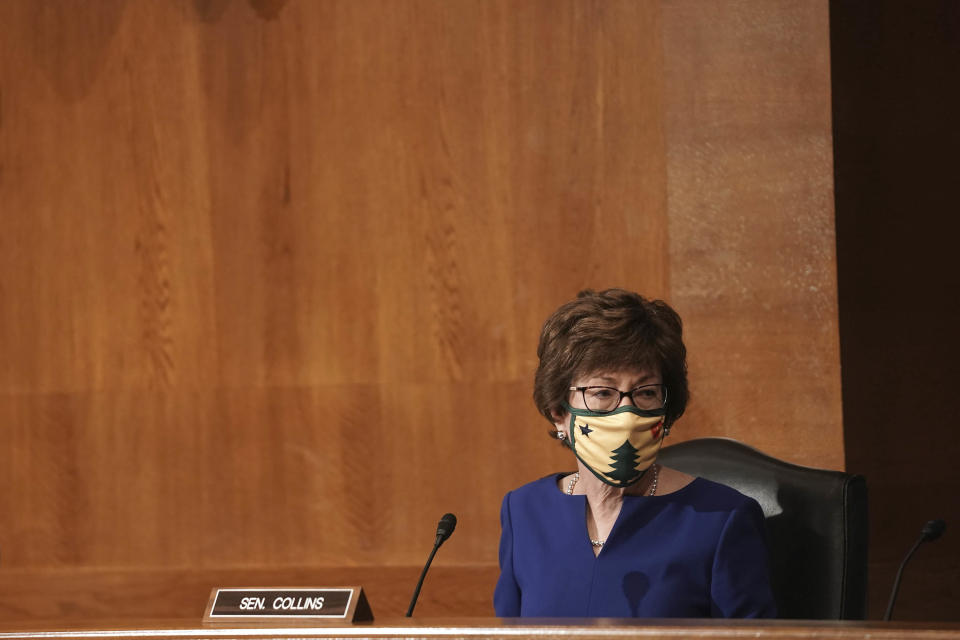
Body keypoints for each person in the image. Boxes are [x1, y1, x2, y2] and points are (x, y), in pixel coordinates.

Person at [493, 289, 777, 618]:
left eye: (645, 393)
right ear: (559, 410)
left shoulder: (722, 518)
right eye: (602, 392)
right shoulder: (525, 511)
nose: (627, 413)